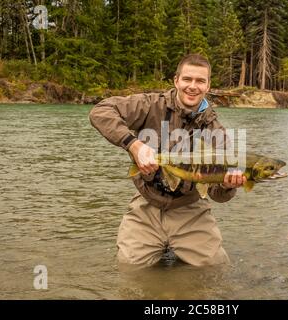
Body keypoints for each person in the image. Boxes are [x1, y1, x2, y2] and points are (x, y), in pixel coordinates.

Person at [89, 54, 246, 267]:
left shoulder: (216, 132)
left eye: (200, 81)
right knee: (129, 269)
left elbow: (217, 195)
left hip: (190, 208)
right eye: (187, 79)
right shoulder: (150, 105)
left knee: (214, 268)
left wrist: (227, 187)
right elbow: (101, 111)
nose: (193, 86)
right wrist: (134, 145)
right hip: (148, 202)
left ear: (208, 85)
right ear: (176, 81)